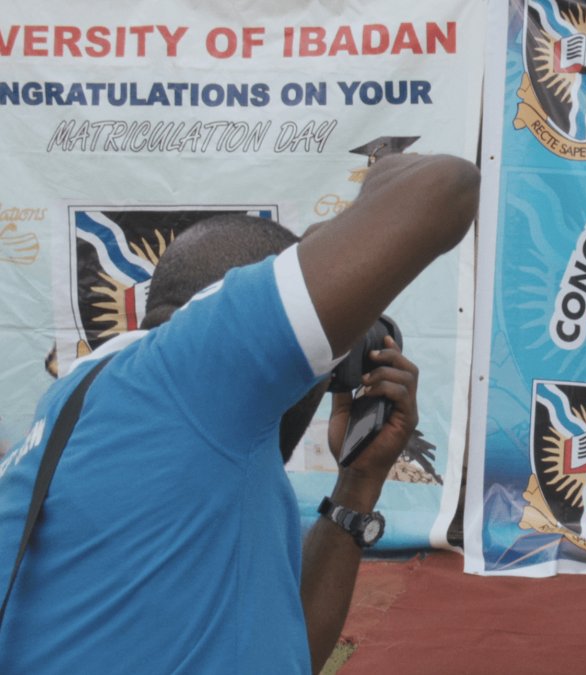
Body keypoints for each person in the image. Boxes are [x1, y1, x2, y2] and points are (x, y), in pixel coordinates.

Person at [0, 152, 480, 671]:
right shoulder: (201, 364)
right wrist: (342, 222)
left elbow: (282, 644)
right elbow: (445, 185)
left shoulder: (75, 403)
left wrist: (357, 484)